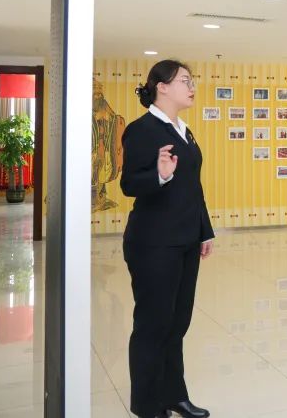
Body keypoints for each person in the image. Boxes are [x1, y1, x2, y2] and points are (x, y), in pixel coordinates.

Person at [120, 60, 214, 418]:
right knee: (153, 325)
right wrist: (158, 176)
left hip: (186, 240)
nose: (192, 87)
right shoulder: (141, 130)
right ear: (161, 86)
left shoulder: (184, 131)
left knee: (177, 324)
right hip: (153, 243)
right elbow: (129, 184)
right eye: (185, 81)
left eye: (192, 81)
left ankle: (174, 395)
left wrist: (204, 230)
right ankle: (147, 406)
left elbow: (193, 187)